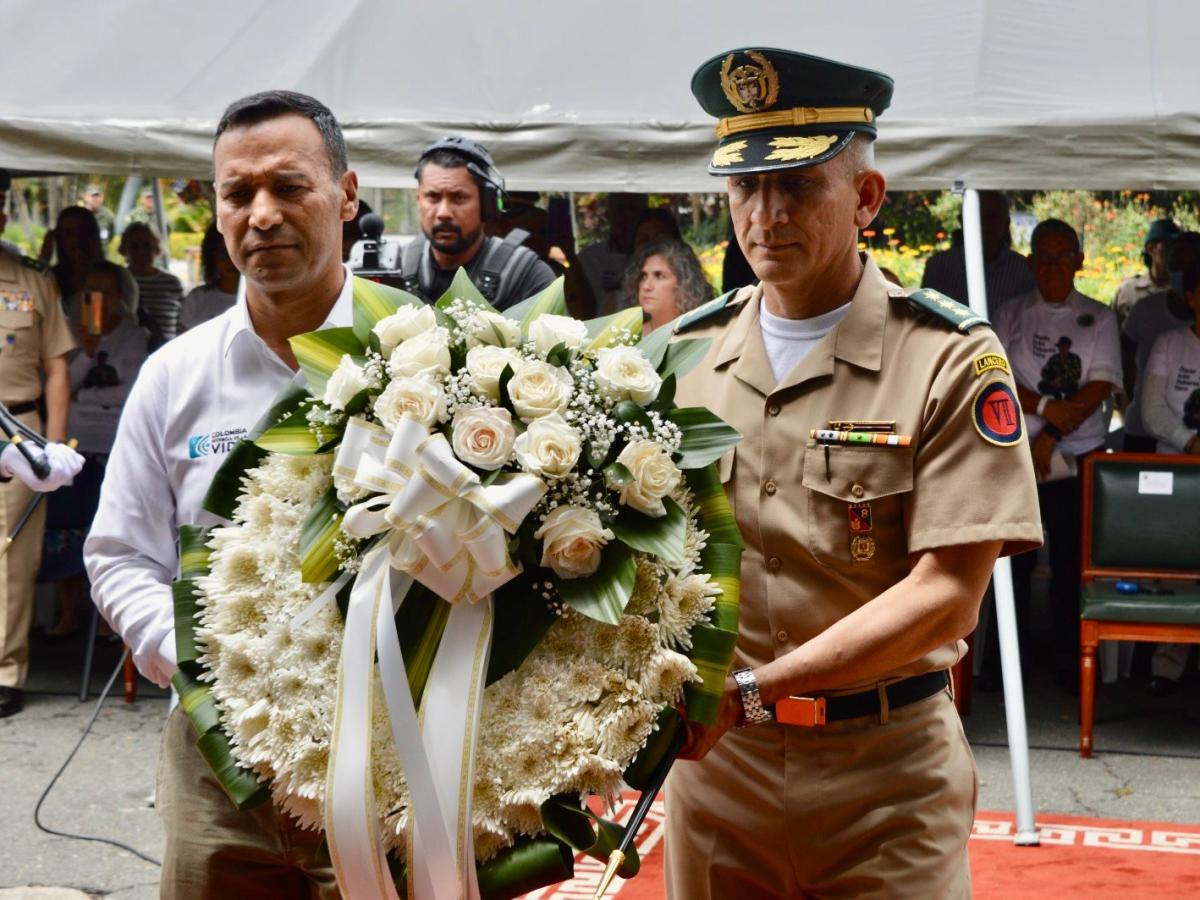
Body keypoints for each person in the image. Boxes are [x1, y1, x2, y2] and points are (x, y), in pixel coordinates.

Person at [666, 47, 1042, 898]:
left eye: (797, 185)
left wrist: (752, 691)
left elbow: (948, 593)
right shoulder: (683, 357)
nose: (765, 215)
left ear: (866, 198)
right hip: (720, 783)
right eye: (744, 188)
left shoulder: (947, 358)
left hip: (886, 782)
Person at [85, 89, 358, 896]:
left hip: (391, 751)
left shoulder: (427, 355)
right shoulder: (176, 375)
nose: (262, 214)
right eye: (238, 194)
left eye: (289, 187)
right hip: (219, 755)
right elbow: (119, 554)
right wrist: (195, 660)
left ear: (345, 194)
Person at [992, 219, 1121, 684]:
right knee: (1013, 561)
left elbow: (1103, 382)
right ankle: (1008, 666)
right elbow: (995, 376)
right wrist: (1046, 410)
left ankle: (1069, 665)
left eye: (1063, 257)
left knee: (1070, 563)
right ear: (1029, 263)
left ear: (1079, 262)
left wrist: (1052, 433)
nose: (1053, 268)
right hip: (1016, 454)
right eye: (1043, 258)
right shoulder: (1009, 313)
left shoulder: (1100, 317)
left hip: (1077, 453)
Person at [43, 260, 148, 638]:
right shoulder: (70, 333)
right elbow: (60, 385)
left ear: (121, 296)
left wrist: (87, 391)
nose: (98, 298)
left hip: (114, 441)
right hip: (75, 440)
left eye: (106, 290)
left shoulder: (134, 336)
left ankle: (109, 619)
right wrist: (86, 352)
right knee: (67, 526)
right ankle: (69, 613)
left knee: (107, 526)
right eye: (91, 291)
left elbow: (132, 389)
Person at [0, 240, 81, 717]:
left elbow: (56, 369)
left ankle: (5, 671)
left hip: (18, 432)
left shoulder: (32, 279)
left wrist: (50, 450)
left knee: (11, 561)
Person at [1138, 256, 1200, 696]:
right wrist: (1191, 441)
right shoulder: (1169, 344)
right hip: (1174, 470)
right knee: (1169, 567)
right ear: (1192, 297)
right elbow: (1152, 409)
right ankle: (1166, 666)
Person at [397, 136, 555, 310]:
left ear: (487, 203)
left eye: (459, 197)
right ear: (418, 199)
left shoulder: (528, 276)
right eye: (433, 197)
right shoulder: (394, 271)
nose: (443, 213)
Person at [1121, 231, 1200, 452]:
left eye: (1189, 264)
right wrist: (1190, 443)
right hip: (1149, 437)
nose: (1180, 272)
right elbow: (1124, 359)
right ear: (1191, 297)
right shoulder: (1164, 338)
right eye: (1175, 265)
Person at [921, 190, 1036, 315]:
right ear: (962, 221)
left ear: (1006, 223)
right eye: (977, 215)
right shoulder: (939, 267)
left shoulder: (1023, 270)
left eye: (993, 216)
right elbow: (924, 318)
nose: (985, 223)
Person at [578, 192, 647, 316]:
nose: (627, 216)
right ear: (609, 213)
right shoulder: (587, 259)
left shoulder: (653, 262)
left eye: (633, 209)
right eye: (620, 209)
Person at [623, 237, 711, 332]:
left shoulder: (702, 335)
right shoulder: (627, 338)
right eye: (643, 276)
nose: (646, 286)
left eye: (659, 276)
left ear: (685, 283)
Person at [119, 222, 183, 344]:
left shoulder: (172, 283)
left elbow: (181, 323)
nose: (141, 251)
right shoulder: (118, 280)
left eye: (147, 245)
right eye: (134, 246)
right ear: (124, 249)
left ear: (156, 249)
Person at [1114, 217, 1179, 320]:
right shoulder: (1128, 291)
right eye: (1168, 245)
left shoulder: (1183, 293)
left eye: (1177, 246)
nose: (1174, 252)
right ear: (1151, 249)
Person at [178, 224, 239, 331]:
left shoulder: (264, 300)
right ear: (212, 257)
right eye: (223, 253)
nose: (230, 261)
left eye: (234, 252)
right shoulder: (196, 299)